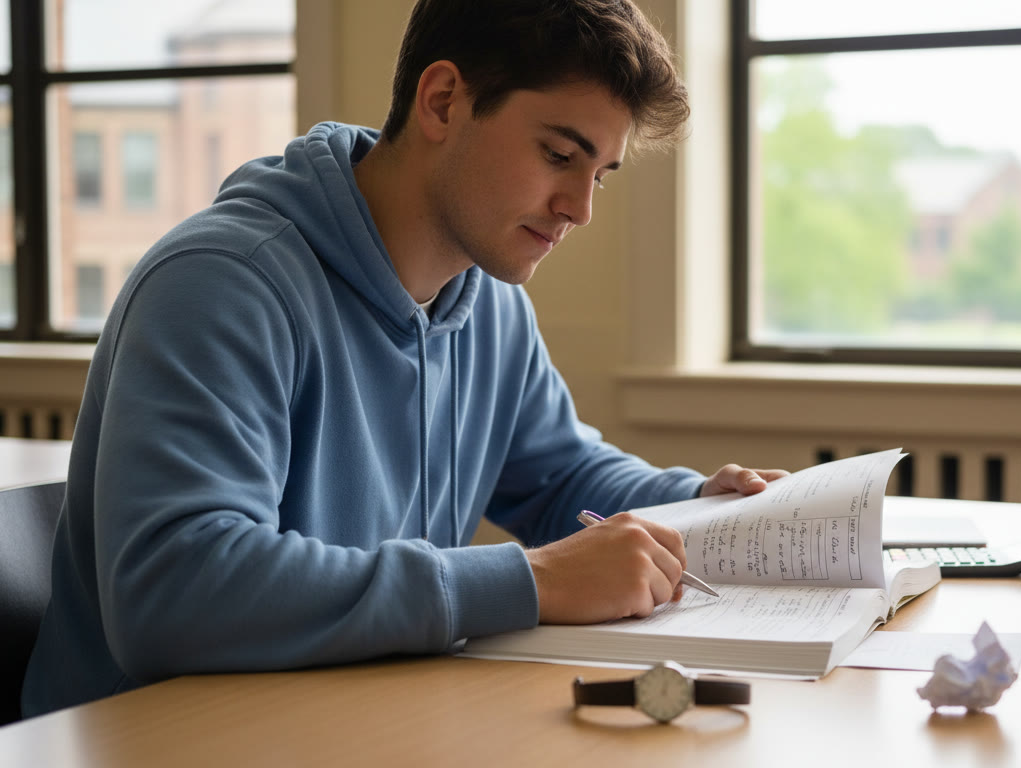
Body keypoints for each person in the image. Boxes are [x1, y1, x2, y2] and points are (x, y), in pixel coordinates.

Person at [22, 0, 786, 717]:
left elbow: (562, 479)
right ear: (443, 100)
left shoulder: (487, 300)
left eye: (599, 175)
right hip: (161, 740)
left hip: (345, 718)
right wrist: (534, 581)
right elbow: (176, 594)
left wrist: (705, 508)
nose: (579, 207)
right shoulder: (221, 285)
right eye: (559, 154)